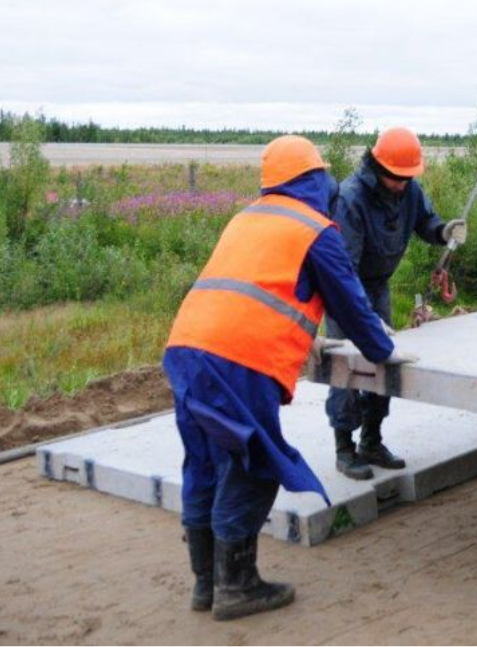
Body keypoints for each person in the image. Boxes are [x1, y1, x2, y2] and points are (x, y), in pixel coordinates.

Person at [164, 135, 405, 620]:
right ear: (315, 180)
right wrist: (384, 350)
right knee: (253, 464)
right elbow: (354, 309)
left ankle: (206, 585)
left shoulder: (246, 217)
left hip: (186, 350)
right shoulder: (315, 229)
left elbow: (254, 287)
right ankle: (238, 587)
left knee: (205, 462)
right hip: (239, 361)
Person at [325, 127, 467, 480]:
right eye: (397, 178)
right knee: (348, 367)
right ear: (379, 167)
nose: (403, 184)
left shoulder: (409, 190)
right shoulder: (350, 198)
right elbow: (345, 269)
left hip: (378, 287)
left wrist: (444, 232)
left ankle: (371, 441)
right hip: (346, 291)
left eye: (408, 177)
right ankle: (345, 447)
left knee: (383, 364)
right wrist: (366, 318)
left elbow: (425, 222)